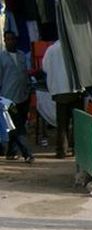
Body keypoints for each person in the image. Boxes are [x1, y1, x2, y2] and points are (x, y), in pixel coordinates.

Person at [42, 40, 83, 158]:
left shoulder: (51, 50)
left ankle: (61, 151)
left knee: (62, 125)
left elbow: (45, 67)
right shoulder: (75, 47)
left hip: (59, 91)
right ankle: (77, 150)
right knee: (77, 123)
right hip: (75, 90)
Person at [0, 31, 34, 163]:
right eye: (7, 39)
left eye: (12, 39)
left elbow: (25, 74)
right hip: (8, 98)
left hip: (23, 96)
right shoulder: (2, 58)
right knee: (18, 127)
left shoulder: (21, 56)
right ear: (4, 41)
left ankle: (11, 152)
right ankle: (27, 154)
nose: (10, 41)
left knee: (17, 125)